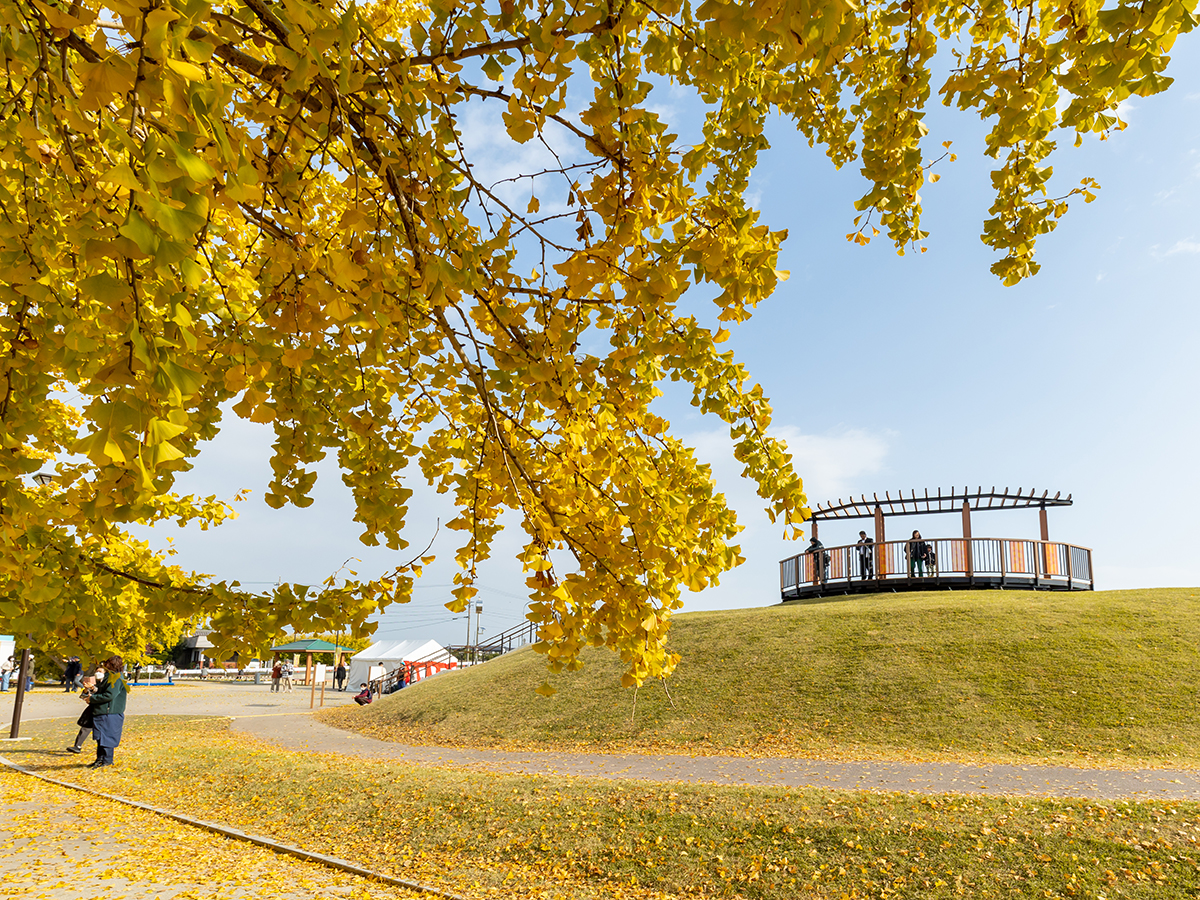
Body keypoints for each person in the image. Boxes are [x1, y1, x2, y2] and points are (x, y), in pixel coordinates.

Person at [87, 655, 129, 768]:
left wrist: (92, 699)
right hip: (103, 712)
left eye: (106, 663)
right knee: (100, 737)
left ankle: (107, 761)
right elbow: (103, 690)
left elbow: (109, 695)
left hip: (110, 713)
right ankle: (99, 759)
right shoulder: (110, 677)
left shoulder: (116, 678)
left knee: (107, 738)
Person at [66, 675, 98, 754]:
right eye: (97, 671)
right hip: (92, 708)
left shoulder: (105, 683)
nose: (98, 673)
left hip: (102, 710)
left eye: (100, 672)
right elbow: (83, 696)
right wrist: (86, 689)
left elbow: (104, 694)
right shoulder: (93, 683)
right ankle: (77, 746)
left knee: (101, 730)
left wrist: (93, 689)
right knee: (85, 727)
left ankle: (104, 749)